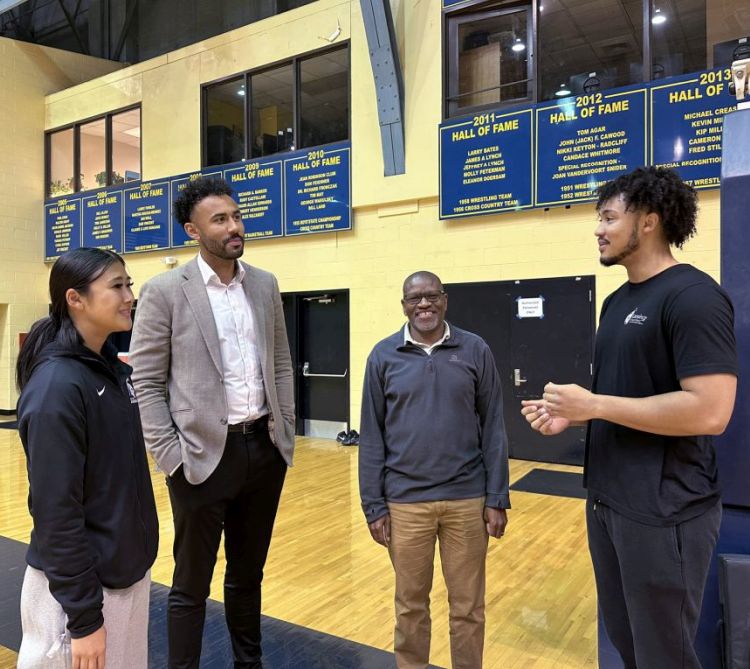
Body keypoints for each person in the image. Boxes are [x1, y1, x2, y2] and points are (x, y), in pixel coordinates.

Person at [521, 166, 737, 669]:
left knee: (666, 654)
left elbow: (711, 410)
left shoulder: (694, 297)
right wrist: (575, 418)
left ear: (648, 222)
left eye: (609, 217)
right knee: (626, 643)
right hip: (608, 501)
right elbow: (628, 399)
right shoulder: (617, 302)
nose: (598, 228)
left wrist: (593, 405)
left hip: (667, 511)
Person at [129, 176, 294, 669]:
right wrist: (170, 456)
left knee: (248, 577)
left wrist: (283, 430)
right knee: (190, 585)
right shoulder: (164, 291)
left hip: (262, 451)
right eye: (220, 219)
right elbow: (146, 380)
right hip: (199, 457)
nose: (234, 226)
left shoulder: (263, 284)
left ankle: (250, 664)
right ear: (193, 231)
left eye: (236, 216)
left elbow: (280, 361)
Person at [16, 247, 159, 669]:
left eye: (129, 283)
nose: (129, 294)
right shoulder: (56, 387)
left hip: (123, 579)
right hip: (77, 598)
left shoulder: (110, 371)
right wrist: (83, 618)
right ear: (74, 299)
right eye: (116, 286)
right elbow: (55, 512)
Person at [359, 270, 510, 669]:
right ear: (404, 305)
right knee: (410, 607)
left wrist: (497, 497)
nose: (423, 304)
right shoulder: (382, 356)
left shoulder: (475, 350)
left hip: (467, 502)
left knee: (468, 608)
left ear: (445, 300)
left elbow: (493, 425)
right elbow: (371, 435)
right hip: (405, 504)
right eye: (415, 298)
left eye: (431, 296)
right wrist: (373, 505)